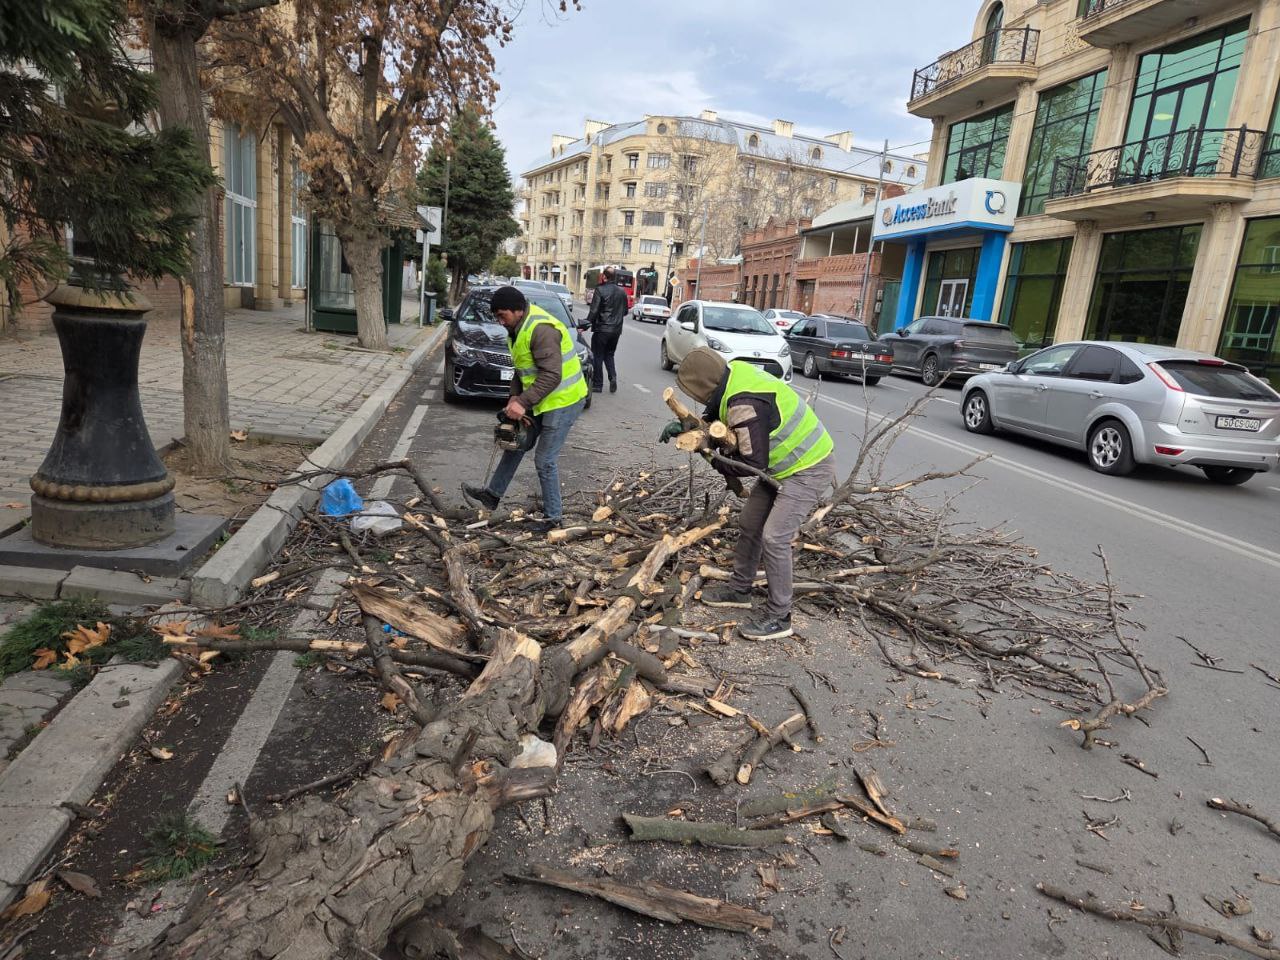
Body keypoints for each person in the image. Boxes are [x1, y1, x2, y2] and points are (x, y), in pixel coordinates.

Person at [660, 347, 835, 641]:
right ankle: (740, 590)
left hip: (809, 467)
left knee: (775, 536)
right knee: (751, 522)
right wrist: (691, 426)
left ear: (704, 388)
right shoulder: (734, 376)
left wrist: (709, 455)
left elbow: (752, 464)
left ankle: (780, 616)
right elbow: (717, 416)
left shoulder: (744, 404)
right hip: (785, 468)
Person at [462, 286, 587, 533]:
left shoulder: (541, 329)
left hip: (565, 400)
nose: (500, 321)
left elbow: (552, 375)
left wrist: (523, 403)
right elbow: (523, 369)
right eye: (496, 317)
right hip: (543, 398)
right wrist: (513, 398)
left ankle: (554, 519)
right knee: (516, 443)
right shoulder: (517, 329)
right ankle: (492, 495)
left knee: (545, 460)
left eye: (502, 316)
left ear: (518, 310)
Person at [579, 264, 628, 393]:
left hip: (602, 329)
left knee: (598, 356)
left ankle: (598, 384)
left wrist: (584, 325)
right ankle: (613, 377)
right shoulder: (622, 292)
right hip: (616, 330)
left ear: (604, 277)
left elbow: (594, 311)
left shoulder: (600, 290)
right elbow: (625, 312)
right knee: (610, 355)